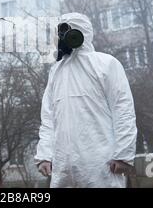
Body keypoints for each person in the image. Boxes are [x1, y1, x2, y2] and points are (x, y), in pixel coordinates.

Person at [34, 13, 137, 188]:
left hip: (100, 166)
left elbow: (123, 110)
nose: (61, 38)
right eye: (59, 32)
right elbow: (49, 118)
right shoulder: (56, 72)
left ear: (81, 32)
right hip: (63, 168)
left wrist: (123, 155)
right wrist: (45, 155)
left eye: (65, 31)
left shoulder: (106, 64)